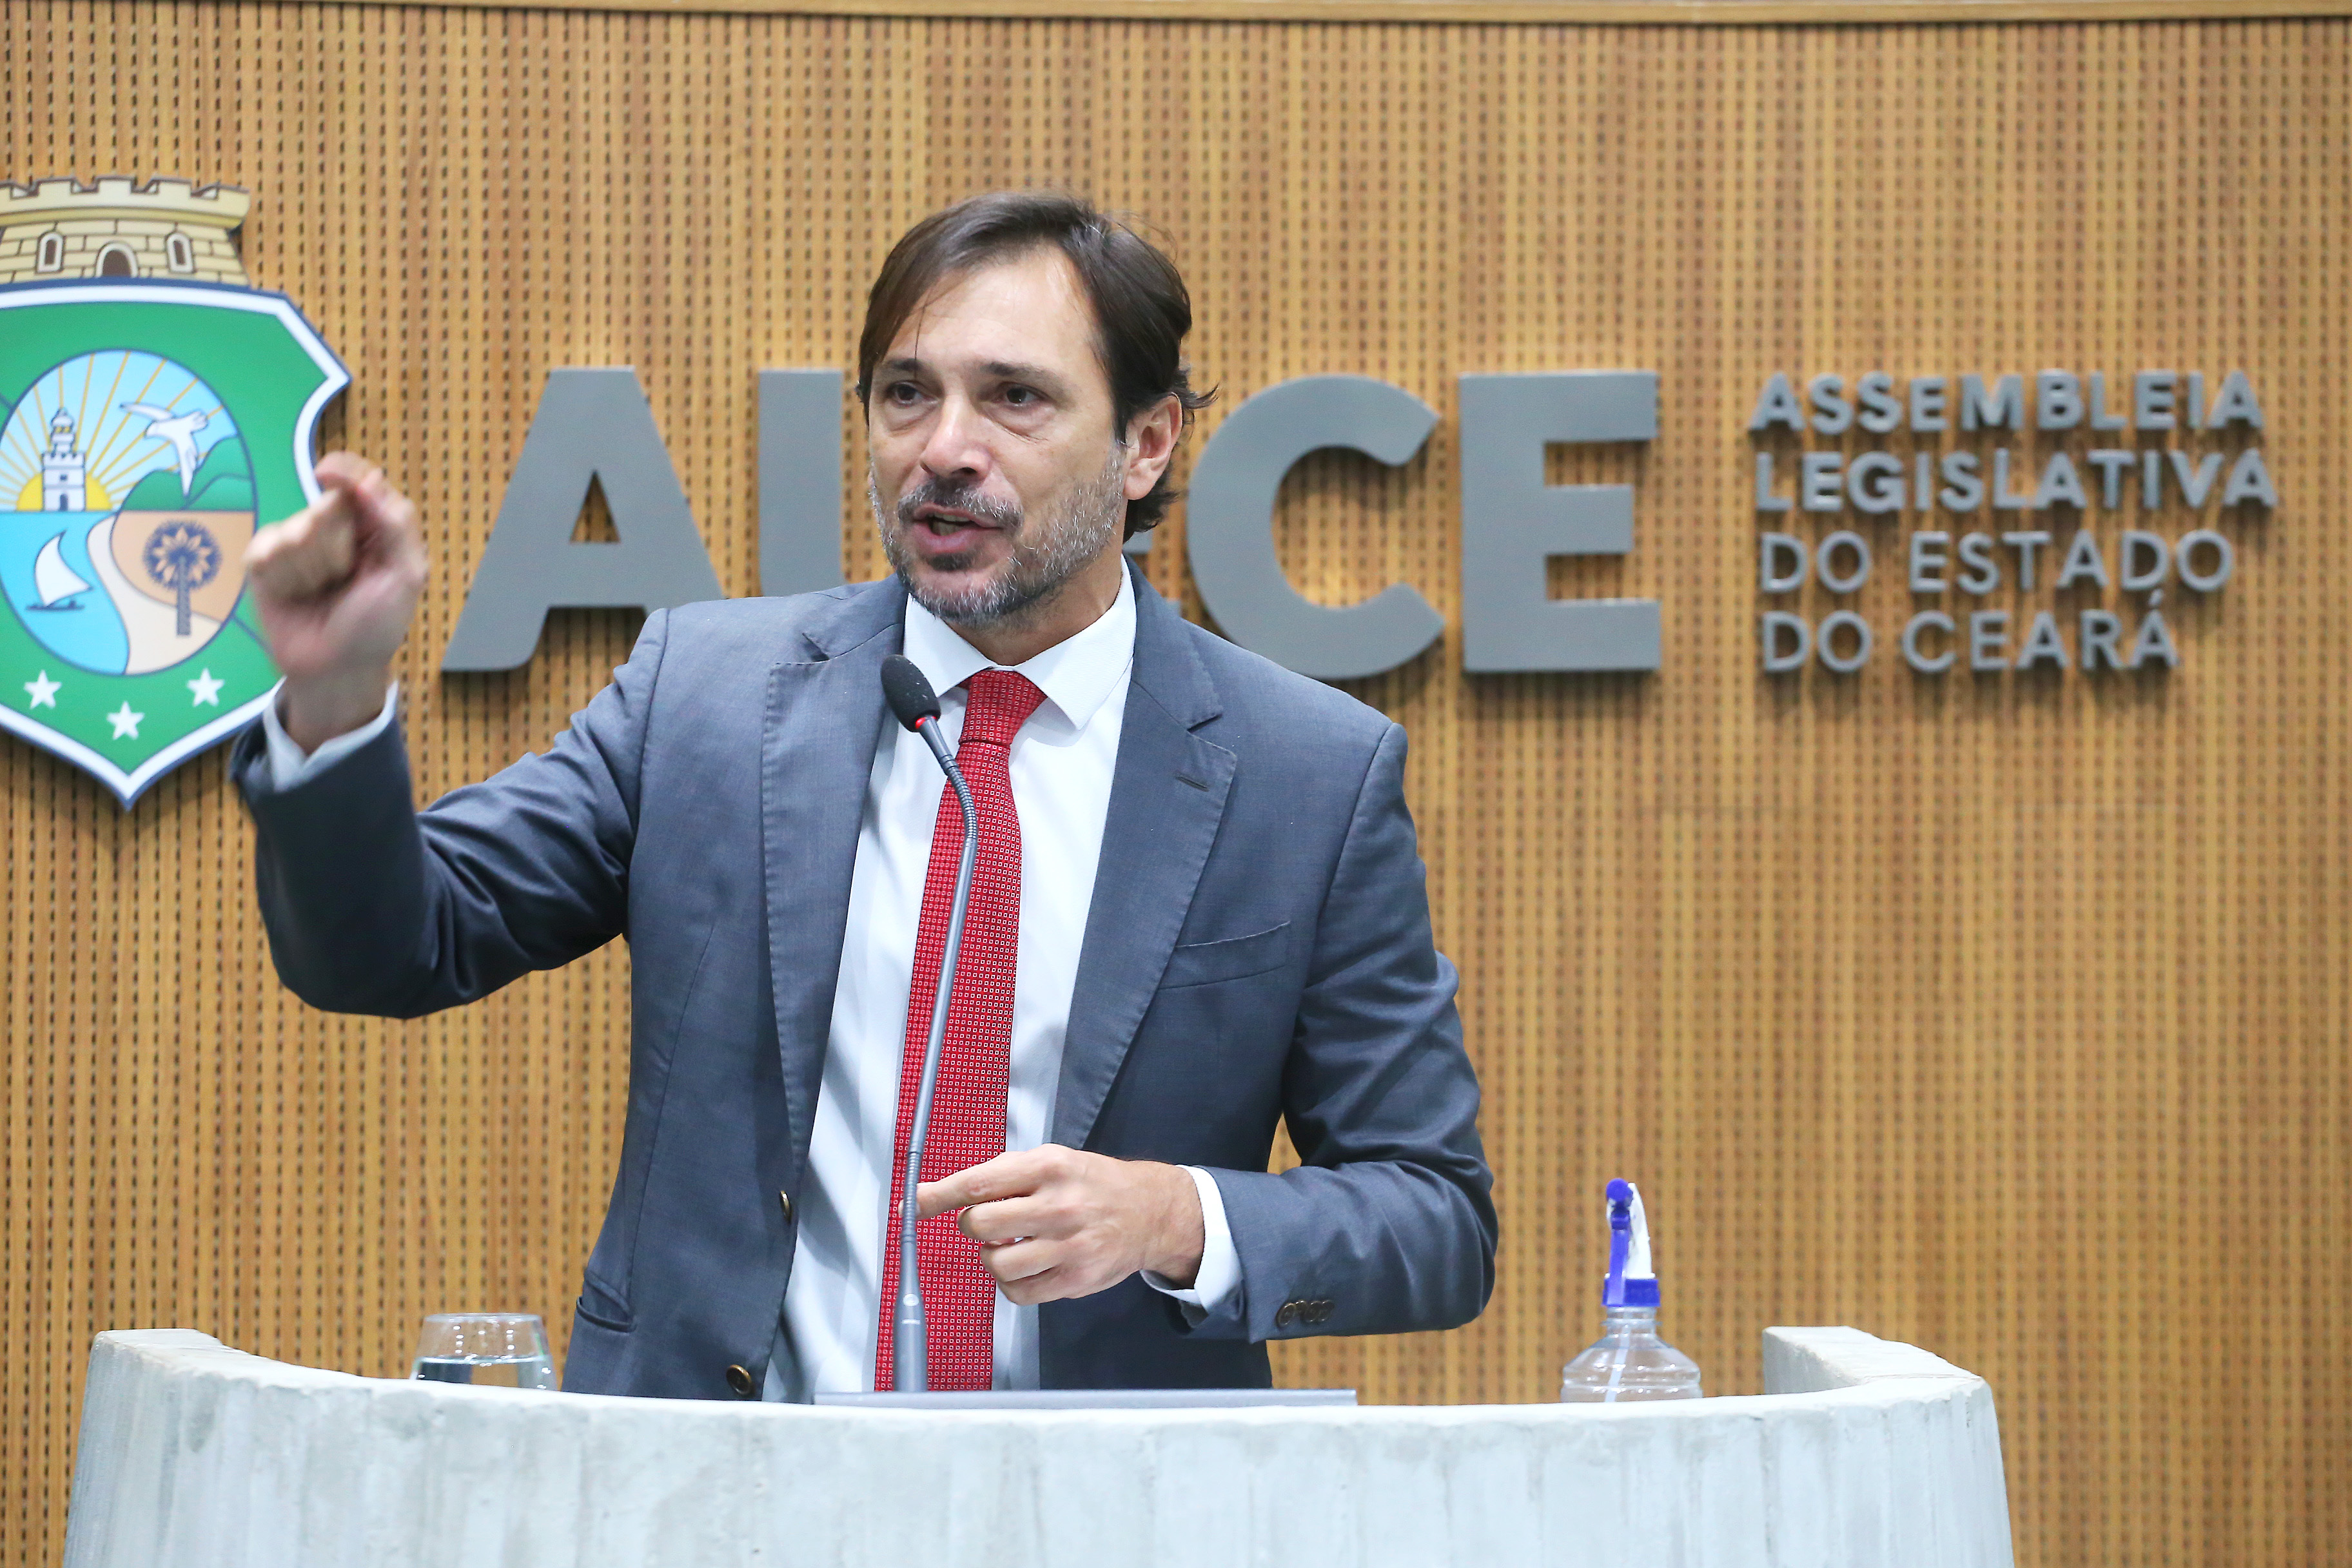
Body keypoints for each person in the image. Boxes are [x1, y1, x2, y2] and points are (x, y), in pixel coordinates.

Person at [235, 191, 1495, 1400]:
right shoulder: (706, 698)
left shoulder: (1304, 775)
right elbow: (388, 948)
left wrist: (1176, 1215)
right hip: (728, 1485)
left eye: (1014, 398)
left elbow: (1435, 1218)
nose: (944, 450)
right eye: (907, 394)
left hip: (1102, 1498)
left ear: (1146, 443)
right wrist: (334, 700)